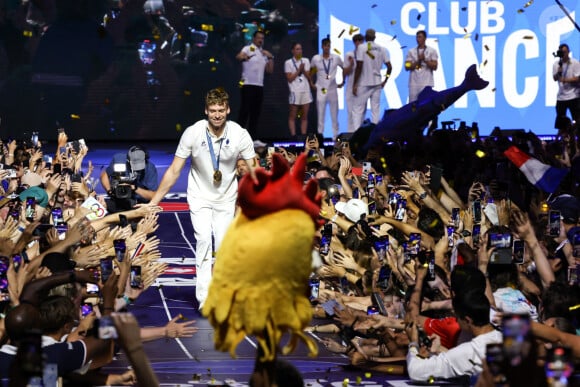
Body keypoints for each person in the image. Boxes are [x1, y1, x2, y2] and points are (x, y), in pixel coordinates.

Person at [149, 88, 257, 309]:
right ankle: (205, 298)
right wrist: (154, 202)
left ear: (228, 109)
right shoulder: (193, 133)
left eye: (221, 110)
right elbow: (174, 171)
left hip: (226, 197)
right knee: (204, 241)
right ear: (205, 111)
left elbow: (255, 171)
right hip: (199, 196)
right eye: (212, 110)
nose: (217, 115)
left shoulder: (239, 134)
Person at [235, 30, 274, 138]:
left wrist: (270, 57)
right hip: (247, 84)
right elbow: (239, 56)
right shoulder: (249, 48)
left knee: (255, 114)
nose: (260, 40)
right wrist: (244, 57)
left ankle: (252, 138)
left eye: (262, 38)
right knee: (244, 111)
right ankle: (238, 138)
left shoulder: (263, 53)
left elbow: (269, 71)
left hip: (259, 86)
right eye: (258, 38)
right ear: (254, 39)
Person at [352, 28, 392, 129]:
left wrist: (354, 83)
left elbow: (359, 66)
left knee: (358, 110)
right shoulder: (381, 48)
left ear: (365, 37)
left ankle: (357, 134)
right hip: (377, 83)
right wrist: (385, 80)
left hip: (364, 83)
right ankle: (374, 135)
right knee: (375, 111)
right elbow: (390, 67)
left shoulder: (361, 47)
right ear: (374, 37)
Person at [100, 145, 159, 212]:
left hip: (139, 203)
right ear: (128, 160)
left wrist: (134, 188)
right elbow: (104, 174)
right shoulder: (119, 160)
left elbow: (154, 195)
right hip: (119, 199)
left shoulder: (150, 169)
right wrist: (109, 190)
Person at [310, 37, 344, 139]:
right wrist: (311, 83)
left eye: (328, 45)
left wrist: (343, 81)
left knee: (334, 114)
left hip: (333, 88)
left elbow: (344, 68)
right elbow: (311, 71)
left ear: (330, 46)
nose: (326, 47)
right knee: (321, 114)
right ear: (322, 46)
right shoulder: (316, 58)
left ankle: (335, 137)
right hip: (321, 88)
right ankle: (320, 137)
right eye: (325, 45)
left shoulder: (336, 58)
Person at [284, 42, 313, 138]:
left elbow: (309, 77)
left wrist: (303, 70)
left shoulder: (306, 61)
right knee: (293, 116)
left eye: (300, 49)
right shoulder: (288, 62)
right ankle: (293, 136)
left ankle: (304, 136)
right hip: (294, 91)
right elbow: (289, 78)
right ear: (293, 51)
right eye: (297, 49)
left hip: (305, 90)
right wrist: (298, 70)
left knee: (304, 116)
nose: (299, 51)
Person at [405, 30, 438, 103]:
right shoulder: (411, 51)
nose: (417, 39)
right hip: (414, 83)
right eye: (417, 37)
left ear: (425, 38)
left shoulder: (432, 51)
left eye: (420, 37)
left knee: (426, 105)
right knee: (412, 106)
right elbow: (407, 66)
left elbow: (435, 66)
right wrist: (417, 61)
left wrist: (425, 60)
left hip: (426, 83)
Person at [553, 43, 580, 125]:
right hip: (561, 97)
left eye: (565, 52)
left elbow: (578, 78)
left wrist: (565, 80)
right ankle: (563, 136)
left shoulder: (575, 63)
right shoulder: (556, 64)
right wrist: (558, 72)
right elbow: (555, 78)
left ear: (568, 52)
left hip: (574, 96)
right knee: (561, 122)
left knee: (577, 120)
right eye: (562, 52)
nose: (564, 54)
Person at [343, 34, 365, 133]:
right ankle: (351, 137)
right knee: (350, 113)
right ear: (354, 43)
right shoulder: (349, 55)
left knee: (361, 114)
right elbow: (345, 72)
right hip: (350, 88)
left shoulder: (367, 56)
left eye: (360, 41)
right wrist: (351, 65)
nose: (358, 43)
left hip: (363, 88)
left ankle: (360, 136)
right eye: (356, 41)